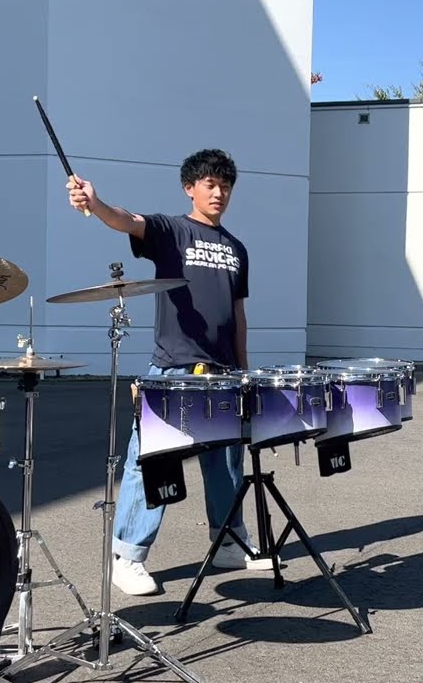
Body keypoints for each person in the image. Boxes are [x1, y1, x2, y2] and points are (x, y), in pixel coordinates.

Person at [66, 149, 273, 596]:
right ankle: (127, 556)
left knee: (226, 463)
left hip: (223, 372)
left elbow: (238, 313)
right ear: (190, 188)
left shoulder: (237, 249)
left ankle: (229, 543)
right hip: (176, 367)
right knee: (152, 462)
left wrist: (243, 370)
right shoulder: (170, 230)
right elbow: (126, 220)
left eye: (226, 186)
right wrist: (96, 204)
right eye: (210, 184)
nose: (219, 193)